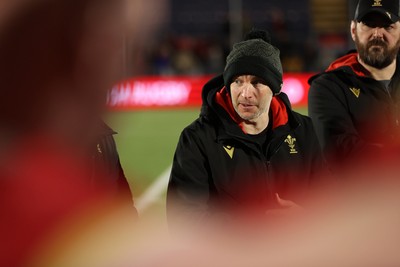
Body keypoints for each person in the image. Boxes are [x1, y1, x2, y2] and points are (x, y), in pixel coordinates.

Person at [167, 29, 324, 230]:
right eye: (238, 81)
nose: (246, 93)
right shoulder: (198, 138)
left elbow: (333, 205)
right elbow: (184, 220)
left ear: (276, 87)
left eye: (257, 82)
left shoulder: (305, 132)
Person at [308, 0, 400, 168]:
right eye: (369, 25)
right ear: (353, 30)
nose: (377, 34)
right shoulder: (329, 87)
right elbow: (340, 152)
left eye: (387, 26)